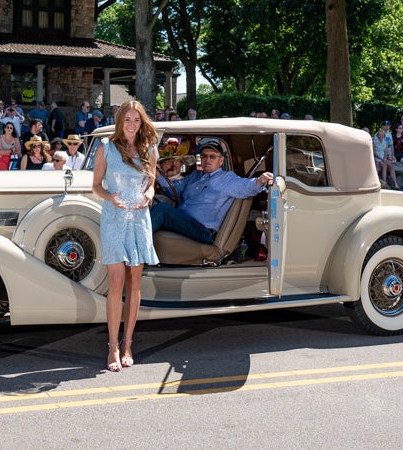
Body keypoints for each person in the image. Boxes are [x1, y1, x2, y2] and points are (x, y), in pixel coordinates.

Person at [91, 99, 159, 373]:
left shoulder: (149, 149)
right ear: (120, 122)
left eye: (137, 120)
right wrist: (111, 198)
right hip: (114, 218)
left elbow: (152, 183)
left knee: (134, 282)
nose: (132, 125)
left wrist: (148, 197)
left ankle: (128, 343)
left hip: (139, 219)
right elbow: (95, 186)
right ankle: (112, 346)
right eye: (127, 120)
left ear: (142, 123)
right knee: (116, 281)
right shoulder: (106, 148)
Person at [150, 138, 272, 245]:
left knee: (162, 210)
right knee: (153, 208)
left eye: (212, 156)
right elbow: (174, 190)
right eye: (204, 156)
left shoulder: (226, 178)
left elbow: (245, 186)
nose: (207, 160)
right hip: (183, 222)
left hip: (203, 230)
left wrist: (260, 180)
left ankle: (133, 247)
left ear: (221, 161)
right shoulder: (195, 175)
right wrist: (157, 174)